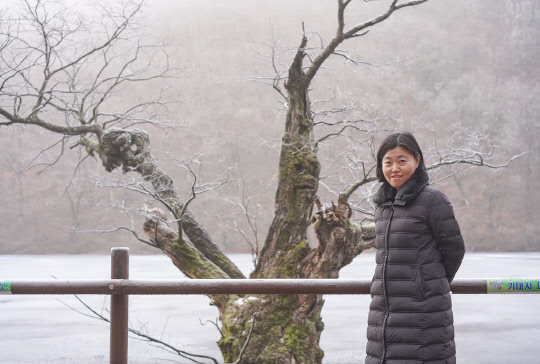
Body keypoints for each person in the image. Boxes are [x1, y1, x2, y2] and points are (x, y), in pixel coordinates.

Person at [365, 132, 465, 364]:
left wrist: (428, 283)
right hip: (383, 312)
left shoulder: (432, 199)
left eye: (402, 161)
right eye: (388, 162)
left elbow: (454, 249)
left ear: (417, 161)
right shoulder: (383, 206)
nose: (394, 168)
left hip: (423, 313)